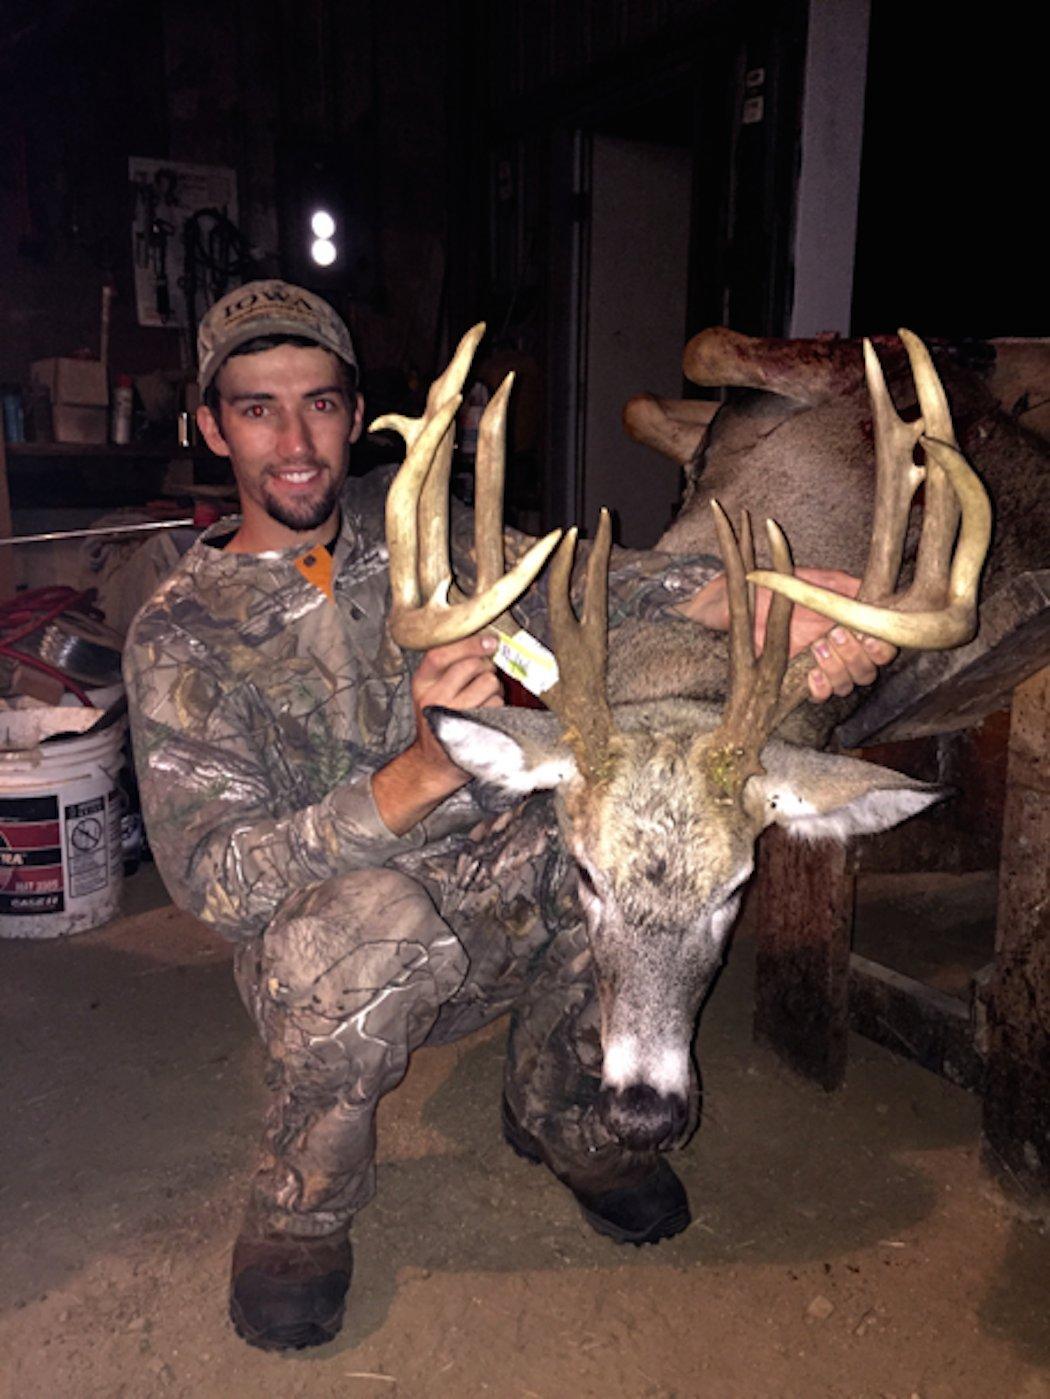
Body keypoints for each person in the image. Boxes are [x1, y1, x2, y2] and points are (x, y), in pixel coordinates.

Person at [123, 280, 894, 1353]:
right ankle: (301, 1208)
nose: (296, 440)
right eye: (258, 408)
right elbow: (215, 882)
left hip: (494, 880)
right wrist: (418, 775)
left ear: (355, 412)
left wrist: (774, 597)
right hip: (340, 950)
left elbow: (601, 589)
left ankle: (565, 1112)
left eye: (321, 404)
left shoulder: (430, 538)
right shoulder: (181, 633)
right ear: (211, 425)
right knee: (369, 925)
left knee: (632, 836)